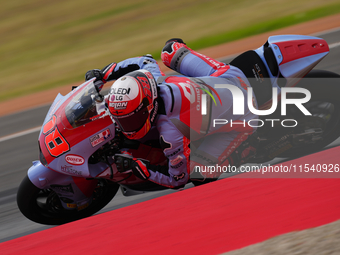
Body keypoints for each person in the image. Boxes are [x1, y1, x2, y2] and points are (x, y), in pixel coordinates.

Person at [85, 39, 257, 188]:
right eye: (121, 119)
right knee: (170, 50)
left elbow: (177, 180)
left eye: (130, 119)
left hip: (245, 114)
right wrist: (104, 74)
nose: (124, 126)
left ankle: (247, 151)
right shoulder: (154, 81)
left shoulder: (171, 134)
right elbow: (144, 61)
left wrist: (138, 166)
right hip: (228, 77)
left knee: (198, 174)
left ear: (147, 108)